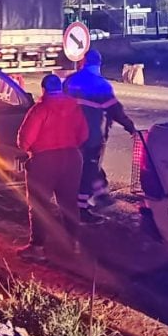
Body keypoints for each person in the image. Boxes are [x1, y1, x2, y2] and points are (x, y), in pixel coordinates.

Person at [16, 74, 89, 263]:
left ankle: (37, 248)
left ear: (43, 90)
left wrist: (32, 149)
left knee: (39, 203)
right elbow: (84, 134)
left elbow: (24, 141)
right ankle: (74, 244)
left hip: (44, 162)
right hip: (72, 158)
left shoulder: (40, 110)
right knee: (69, 203)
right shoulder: (74, 107)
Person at [65, 49, 137, 223]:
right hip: (92, 136)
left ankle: (97, 193)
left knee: (78, 169)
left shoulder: (70, 81)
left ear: (83, 62)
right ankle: (81, 209)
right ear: (99, 64)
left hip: (69, 136)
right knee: (88, 170)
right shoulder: (101, 85)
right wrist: (130, 127)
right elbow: (115, 110)